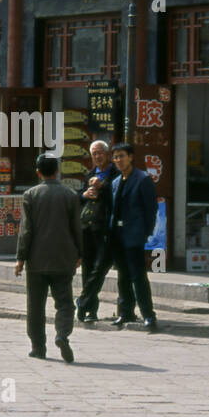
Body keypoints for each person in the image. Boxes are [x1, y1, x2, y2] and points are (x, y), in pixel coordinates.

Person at [14, 154, 83, 362]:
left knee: (35, 306)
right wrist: (80, 253)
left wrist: (20, 258)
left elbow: (26, 230)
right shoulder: (70, 195)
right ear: (57, 171)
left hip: (36, 260)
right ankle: (62, 334)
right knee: (65, 303)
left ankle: (38, 347)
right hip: (63, 258)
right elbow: (77, 229)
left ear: (38, 172)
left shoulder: (31, 195)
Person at [107, 142, 158, 332]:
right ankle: (125, 312)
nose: (118, 160)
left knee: (138, 276)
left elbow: (150, 210)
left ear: (131, 157)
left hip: (134, 235)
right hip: (117, 235)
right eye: (116, 157)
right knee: (123, 276)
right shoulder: (115, 181)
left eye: (122, 156)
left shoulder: (142, 179)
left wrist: (145, 233)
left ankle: (148, 315)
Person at [75, 140, 118, 324]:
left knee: (100, 268)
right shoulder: (90, 174)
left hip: (105, 229)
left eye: (100, 152)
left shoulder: (116, 174)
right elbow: (80, 198)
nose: (97, 156)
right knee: (88, 268)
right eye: (94, 153)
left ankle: (83, 301)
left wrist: (103, 186)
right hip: (87, 228)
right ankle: (90, 310)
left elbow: (117, 196)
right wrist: (85, 195)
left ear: (108, 154)